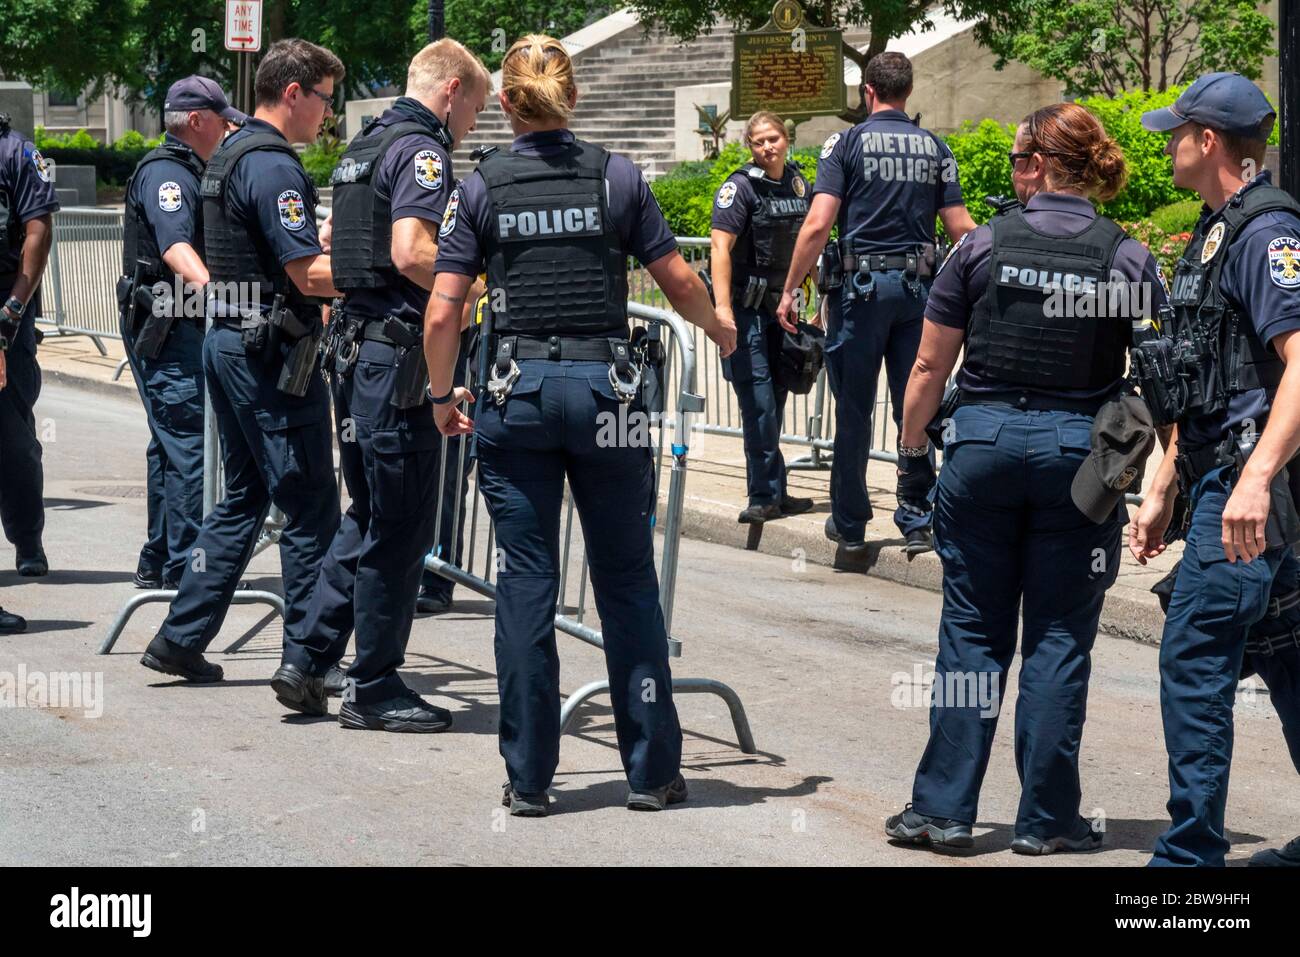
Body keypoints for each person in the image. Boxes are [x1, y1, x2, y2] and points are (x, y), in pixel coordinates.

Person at [424, 34, 736, 815]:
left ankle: (530, 778)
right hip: (607, 395)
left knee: (525, 582)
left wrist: (440, 395)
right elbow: (677, 280)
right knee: (627, 581)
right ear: (576, 97)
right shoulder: (617, 176)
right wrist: (722, 327)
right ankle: (652, 771)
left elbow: (443, 309)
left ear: (505, 104)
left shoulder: (482, 185)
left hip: (515, 390)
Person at [883, 103, 1165, 853]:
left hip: (982, 450)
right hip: (1081, 465)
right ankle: (1045, 821)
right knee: (1058, 639)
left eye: (1015, 159)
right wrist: (1163, 482)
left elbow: (926, 367)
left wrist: (913, 461)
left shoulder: (979, 247)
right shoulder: (1127, 256)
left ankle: (942, 810)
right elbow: (1163, 379)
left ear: (1039, 165)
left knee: (971, 633)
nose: (1011, 171)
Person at [280, 38, 490, 727]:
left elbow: (342, 240)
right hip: (396, 363)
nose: (473, 125)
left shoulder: (363, 145)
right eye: (476, 107)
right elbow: (411, 250)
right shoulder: (422, 149)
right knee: (399, 528)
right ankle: (373, 687)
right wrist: (475, 285)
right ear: (452, 88)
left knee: (366, 513)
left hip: (358, 354)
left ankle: (308, 659)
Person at [1128, 72, 1300, 867]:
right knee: (1288, 652)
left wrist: (1257, 477)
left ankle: (1189, 860)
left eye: (1177, 132)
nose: (1167, 143)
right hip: (1220, 478)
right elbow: (1201, 377)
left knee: (1196, 656)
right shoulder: (1214, 231)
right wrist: (1163, 481)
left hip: (1247, 490)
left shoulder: (1267, 234)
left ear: (1209, 142)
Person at [139, 39, 344, 685]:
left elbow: (258, 247)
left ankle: (180, 635)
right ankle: (306, 660)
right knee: (311, 506)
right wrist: (383, 267)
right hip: (270, 352)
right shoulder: (272, 163)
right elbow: (305, 274)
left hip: (228, 343)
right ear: (293, 93)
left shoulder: (228, 153)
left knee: (245, 497)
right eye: (324, 101)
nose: (326, 117)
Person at [777, 51, 975, 556]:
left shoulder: (845, 143)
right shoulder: (934, 147)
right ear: (908, 91)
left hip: (860, 295)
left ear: (868, 90)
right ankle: (916, 514)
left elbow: (819, 224)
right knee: (918, 405)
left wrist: (791, 288)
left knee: (854, 411)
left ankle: (849, 523)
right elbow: (960, 229)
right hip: (919, 295)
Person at [118, 77, 242, 591]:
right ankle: (185, 574)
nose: (229, 126)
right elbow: (174, 247)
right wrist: (222, 294)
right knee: (189, 446)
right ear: (196, 121)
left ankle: (160, 556)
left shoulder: (188, 169)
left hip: (170, 322)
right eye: (221, 117)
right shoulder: (169, 176)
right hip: (168, 327)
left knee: (169, 444)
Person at [710, 110, 814, 524]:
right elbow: (719, 247)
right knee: (758, 405)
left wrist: (815, 299)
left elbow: (809, 243)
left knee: (778, 397)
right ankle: (763, 496)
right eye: (759, 141)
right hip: (747, 312)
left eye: (774, 138)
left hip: (784, 310)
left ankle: (777, 491)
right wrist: (720, 310)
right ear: (749, 146)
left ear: (786, 138)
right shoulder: (740, 188)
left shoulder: (798, 182)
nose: (768, 147)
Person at [0, 111, 58, 578]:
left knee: (13, 438)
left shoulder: (17, 153)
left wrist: (13, 311)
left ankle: (27, 539)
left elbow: (37, 231)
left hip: (6, 313)